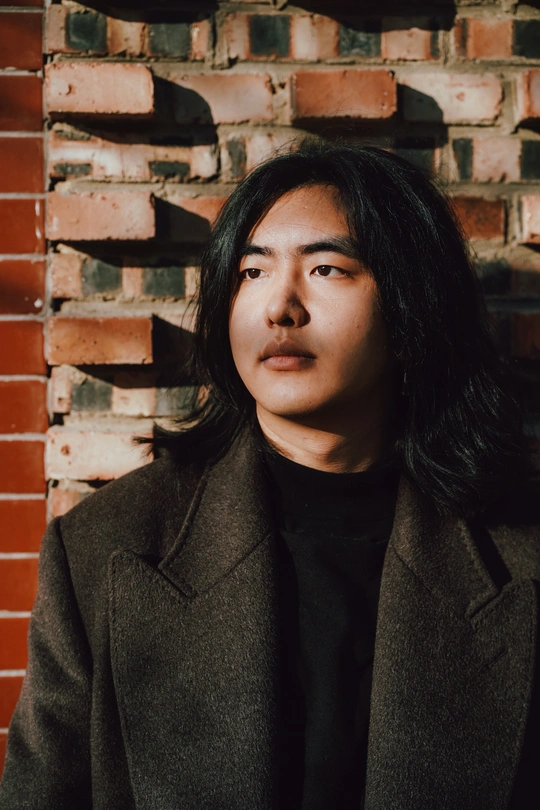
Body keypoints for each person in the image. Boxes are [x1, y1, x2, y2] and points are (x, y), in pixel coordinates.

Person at [1, 140, 538, 810]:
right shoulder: (104, 551)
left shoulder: (520, 555)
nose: (279, 307)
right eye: (252, 272)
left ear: (411, 311)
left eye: (327, 269)